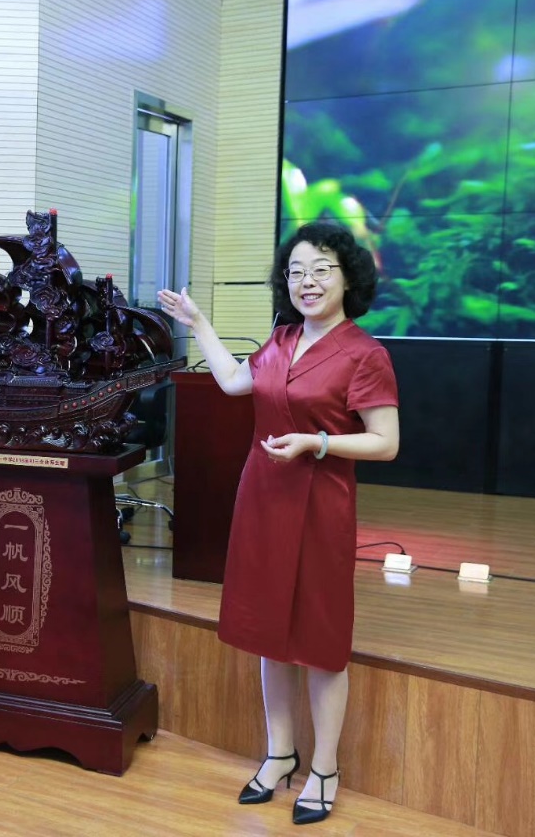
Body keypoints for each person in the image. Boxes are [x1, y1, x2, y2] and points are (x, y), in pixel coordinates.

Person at [157, 221, 399, 826]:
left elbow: (386, 442)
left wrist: (318, 442)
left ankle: (325, 768)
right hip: (263, 500)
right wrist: (199, 323)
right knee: (270, 634)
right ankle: (279, 754)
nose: (306, 282)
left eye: (321, 270)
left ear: (348, 279)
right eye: (296, 272)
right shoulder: (281, 338)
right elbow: (234, 382)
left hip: (321, 508)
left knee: (321, 642)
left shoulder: (365, 354)